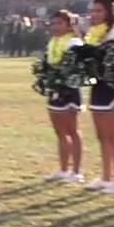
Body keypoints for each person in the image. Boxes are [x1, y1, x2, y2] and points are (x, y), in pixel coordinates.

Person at [82, 0, 114, 194]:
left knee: (113, 136)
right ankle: (106, 177)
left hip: (112, 89)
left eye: (99, 11)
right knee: (102, 136)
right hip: (97, 87)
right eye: (93, 11)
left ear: (109, 12)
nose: (94, 14)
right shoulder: (93, 33)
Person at [36, 11, 85, 184]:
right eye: (53, 23)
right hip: (55, 89)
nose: (55, 27)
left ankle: (77, 171)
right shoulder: (53, 42)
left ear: (68, 25)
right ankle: (63, 169)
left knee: (72, 131)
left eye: (59, 23)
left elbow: (79, 69)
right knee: (60, 132)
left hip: (70, 90)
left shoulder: (74, 42)